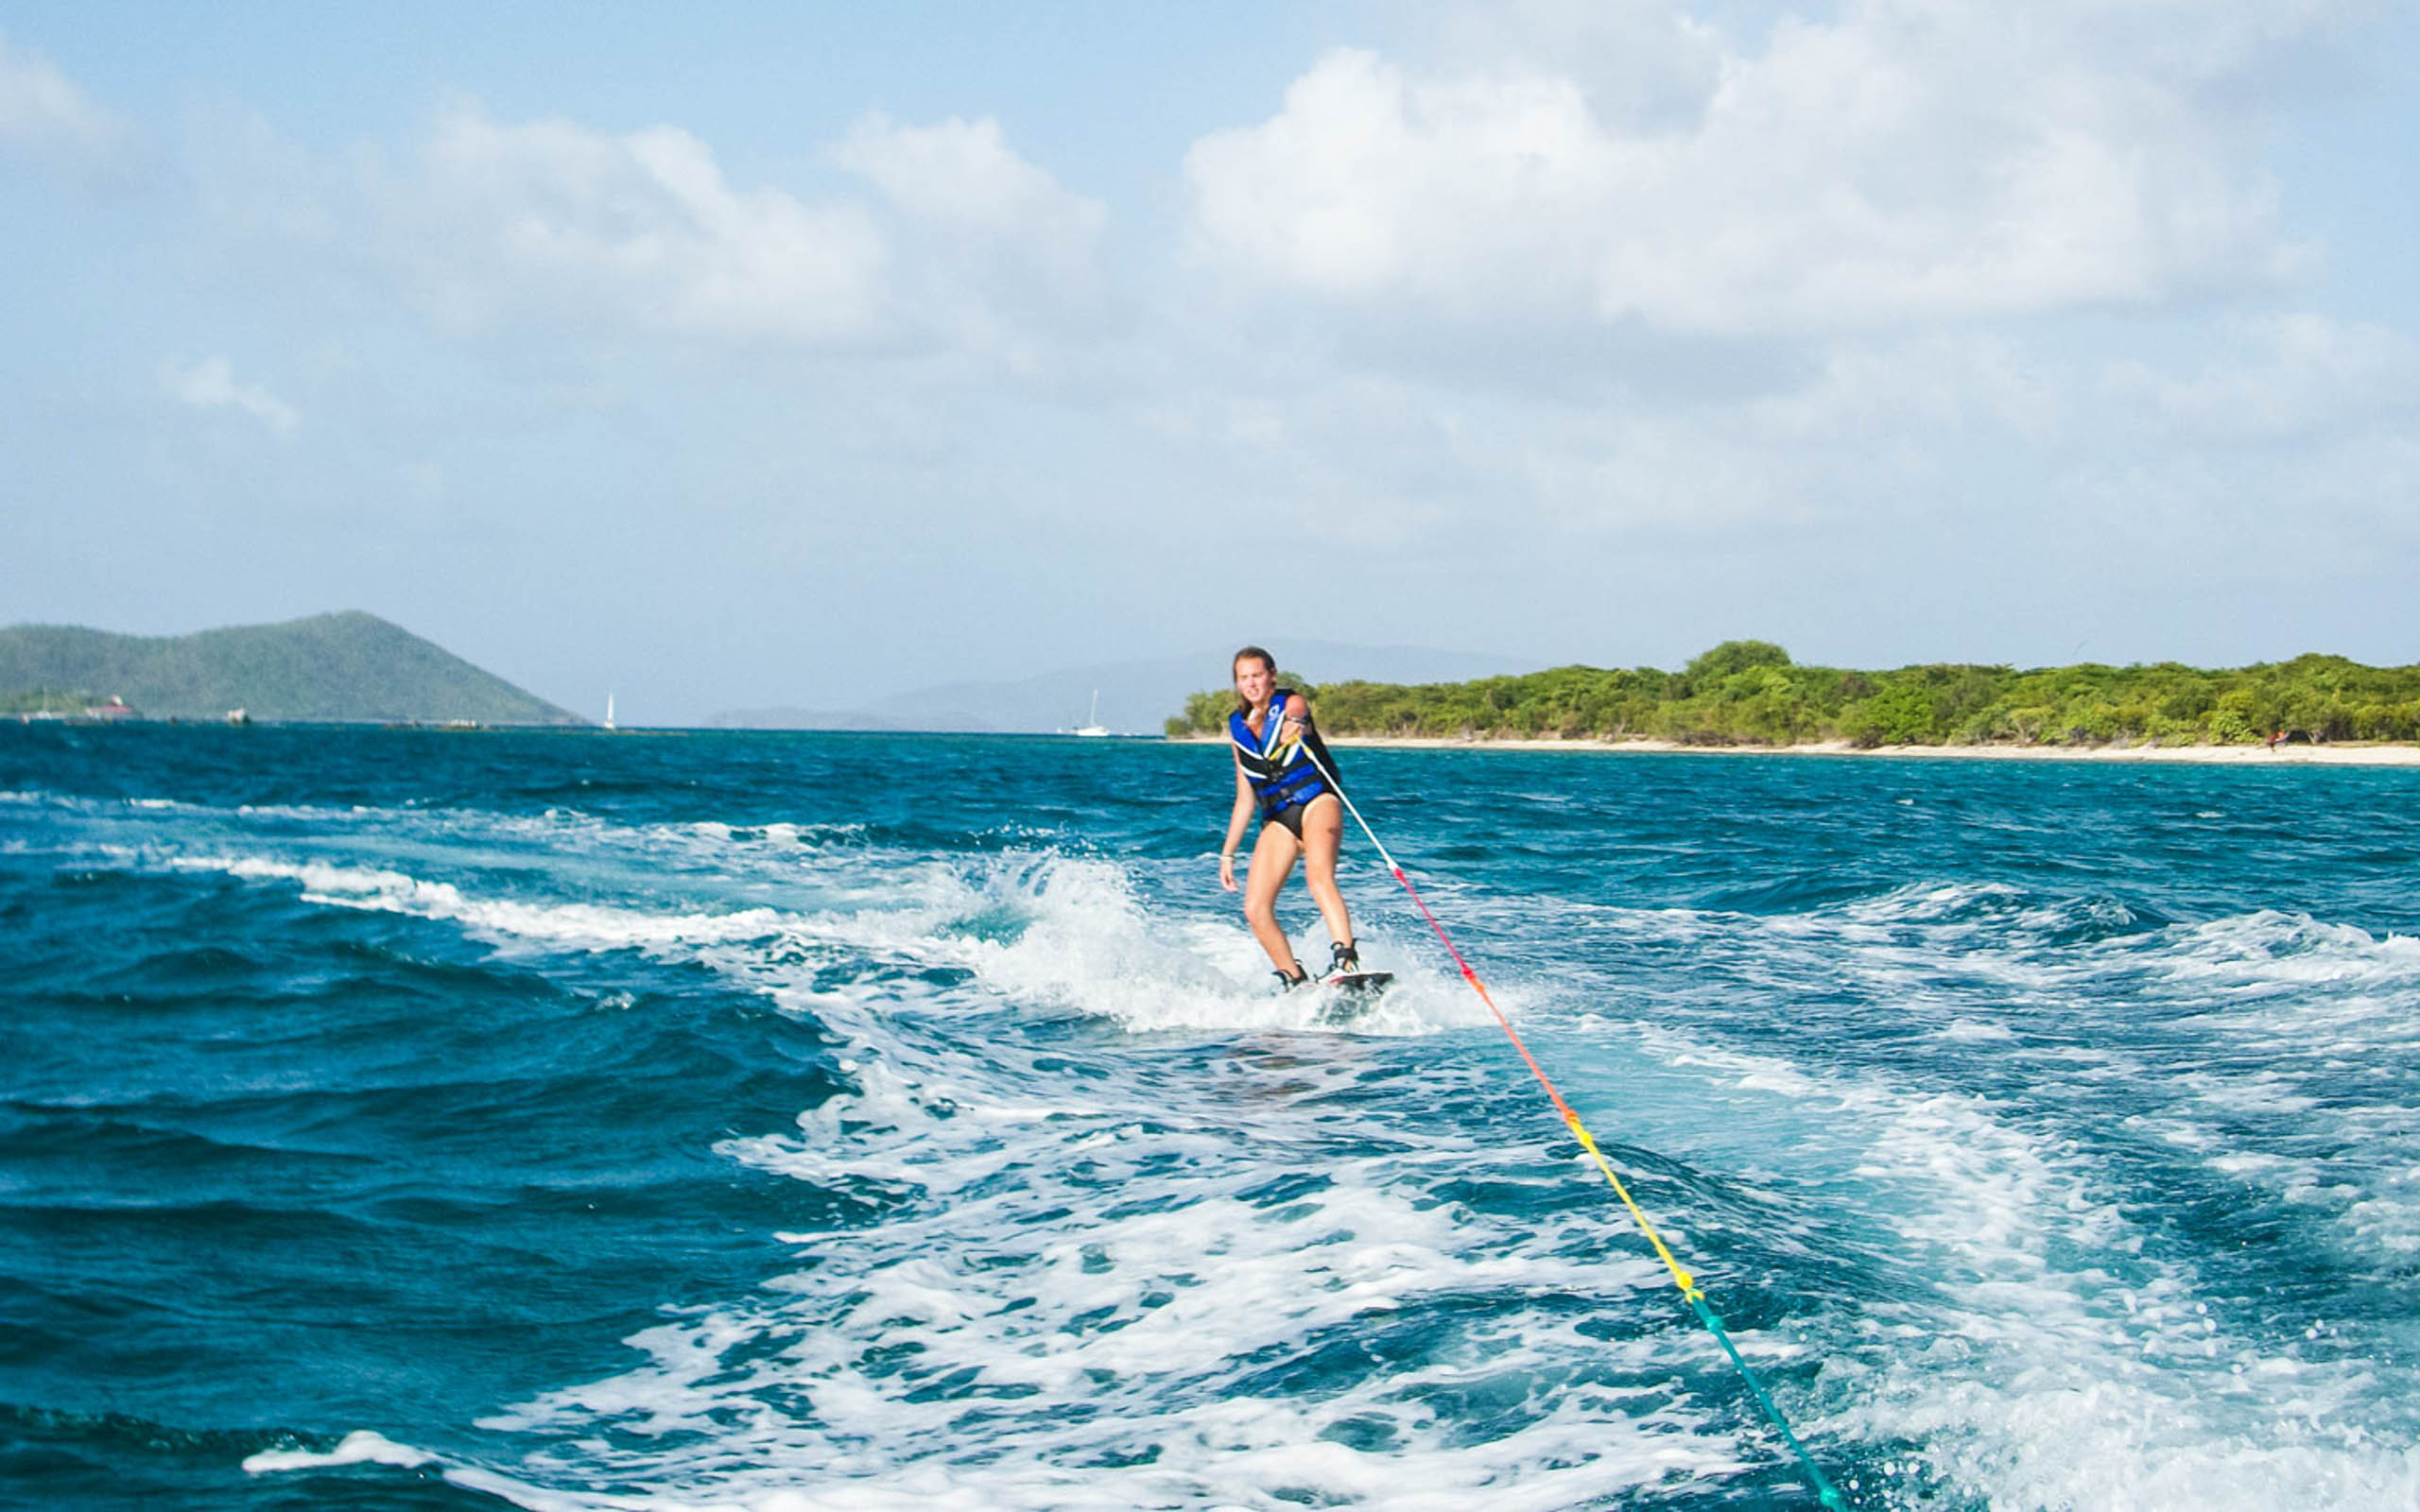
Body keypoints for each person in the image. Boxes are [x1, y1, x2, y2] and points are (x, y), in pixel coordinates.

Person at [1217, 646, 1359, 989]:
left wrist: (1295, 725)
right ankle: (1295, 980)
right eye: (1243, 678)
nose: (1251, 684)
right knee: (1255, 907)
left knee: (1318, 877)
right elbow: (1244, 799)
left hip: (1316, 803)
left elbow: (1299, 711)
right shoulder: (1238, 729)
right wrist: (1228, 853)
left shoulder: (1291, 703)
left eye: (1257, 675)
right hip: (1278, 819)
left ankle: (1346, 961)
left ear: (1272, 676)